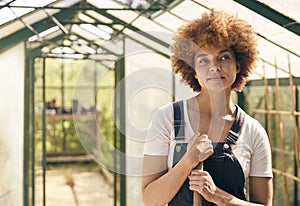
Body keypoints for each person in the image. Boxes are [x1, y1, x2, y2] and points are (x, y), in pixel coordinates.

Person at [141, 10, 273, 206]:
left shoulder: (253, 132)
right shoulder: (167, 118)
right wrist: (188, 161)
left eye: (224, 57)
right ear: (193, 71)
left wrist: (218, 196)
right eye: (203, 60)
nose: (214, 67)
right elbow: (150, 200)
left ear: (238, 65)